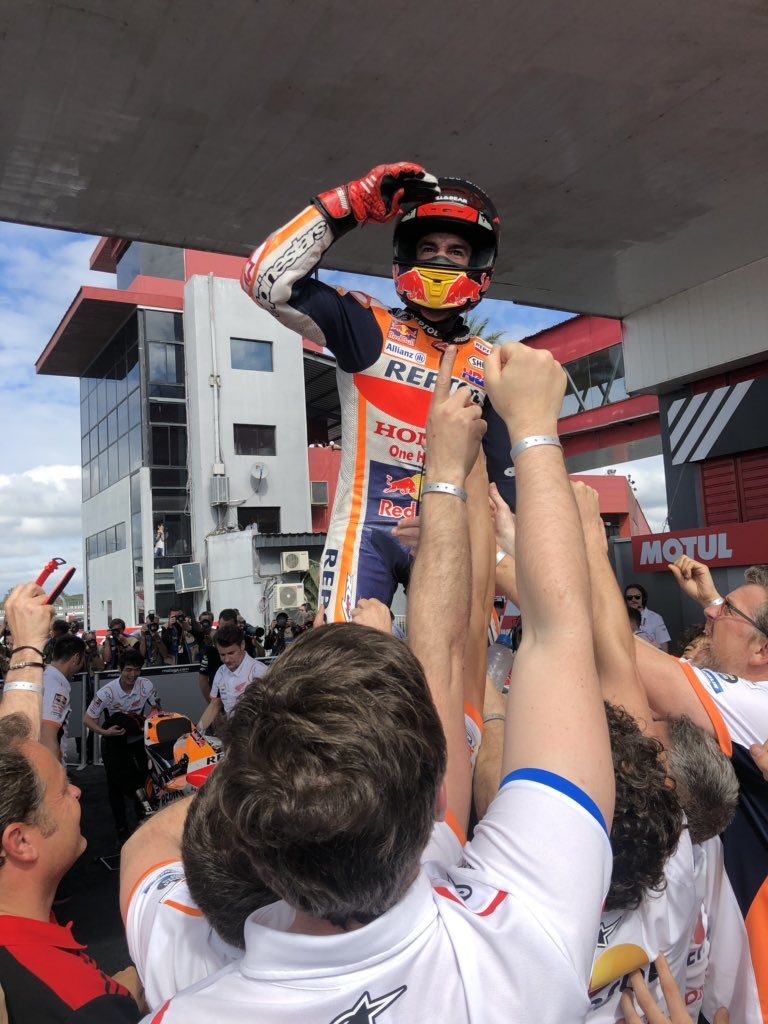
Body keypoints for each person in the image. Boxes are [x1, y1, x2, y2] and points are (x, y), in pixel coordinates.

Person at [121, 342, 615, 1022]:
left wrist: (256, 782)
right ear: (437, 799)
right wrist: (518, 436)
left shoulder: (183, 995)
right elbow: (549, 635)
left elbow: (143, 850)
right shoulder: (518, 949)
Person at [241, 162, 513, 622]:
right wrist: (349, 205)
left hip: (452, 534)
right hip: (363, 533)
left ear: (479, 264)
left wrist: (471, 529)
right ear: (405, 253)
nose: (440, 259)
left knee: (463, 665)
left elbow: (505, 487)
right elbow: (264, 281)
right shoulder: (367, 325)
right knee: (346, 661)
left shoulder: (492, 364)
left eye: (456, 251)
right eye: (427, 247)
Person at [622, 556, 768, 1019]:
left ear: (762, 651)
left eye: (725, 611)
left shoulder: (759, 706)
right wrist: (720, 602)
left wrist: (520, 561)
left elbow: (616, 652)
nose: (709, 612)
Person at [0, 582, 143, 1022]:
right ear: (20, 841)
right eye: (63, 789)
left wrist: (27, 648)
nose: (78, 791)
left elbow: (14, 751)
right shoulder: (83, 1005)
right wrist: (125, 999)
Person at [84, 649, 159, 844]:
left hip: (137, 739)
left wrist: (149, 720)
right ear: (119, 669)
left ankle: (143, 821)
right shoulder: (106, 692)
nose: (132, 675)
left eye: (137, 670)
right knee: (114, 786)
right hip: (113, 741)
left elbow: (156, 708)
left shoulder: (146, 685)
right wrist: (104, 732)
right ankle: (121, 829)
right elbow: (87, 719)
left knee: (144, 779)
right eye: (128, 670)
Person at [198, 623, 267, 729]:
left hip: (257, 732)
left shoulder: (259, 672)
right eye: (222, 654)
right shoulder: (221, 672)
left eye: (231, 653)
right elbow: (214, 704)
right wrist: (196, 734)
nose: (226, 660)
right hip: (232, 733)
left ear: (242, 645)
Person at [41, 634, 85, 763]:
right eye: (83, 658)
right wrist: (56, 771)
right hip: (48, 763)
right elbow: (48, 735)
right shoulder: (56, 687)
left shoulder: (47, 677)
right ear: (76, 658)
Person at [624, 583, 671, 652]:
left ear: (643, 598)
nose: (633, 600)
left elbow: (663, 645)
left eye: (637, 597)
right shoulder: (622, 617)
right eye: (629, 597)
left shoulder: (655, 617)